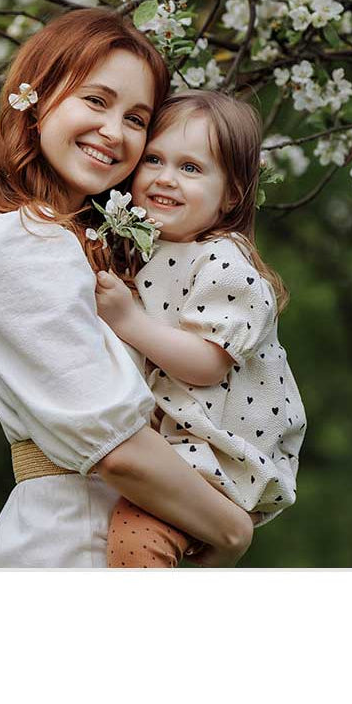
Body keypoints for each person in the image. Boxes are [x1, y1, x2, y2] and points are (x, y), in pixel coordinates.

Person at [0, 9, 255, 568]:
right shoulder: (22, 240)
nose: (114, 132)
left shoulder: (61, 238)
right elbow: (118, 450)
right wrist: (231, 531)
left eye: (137, 119)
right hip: (67, 544)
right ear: (35, 97)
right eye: (96, 100)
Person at [94, 90, 307, 568]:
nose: (165, 178)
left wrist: (128, 321)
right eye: (154, 159)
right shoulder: (146, 246)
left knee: (136, 539)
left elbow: (207, 363)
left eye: (191, 168)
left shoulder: (225, 261)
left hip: (217, 455)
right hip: (181, 447)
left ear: (231, 193)